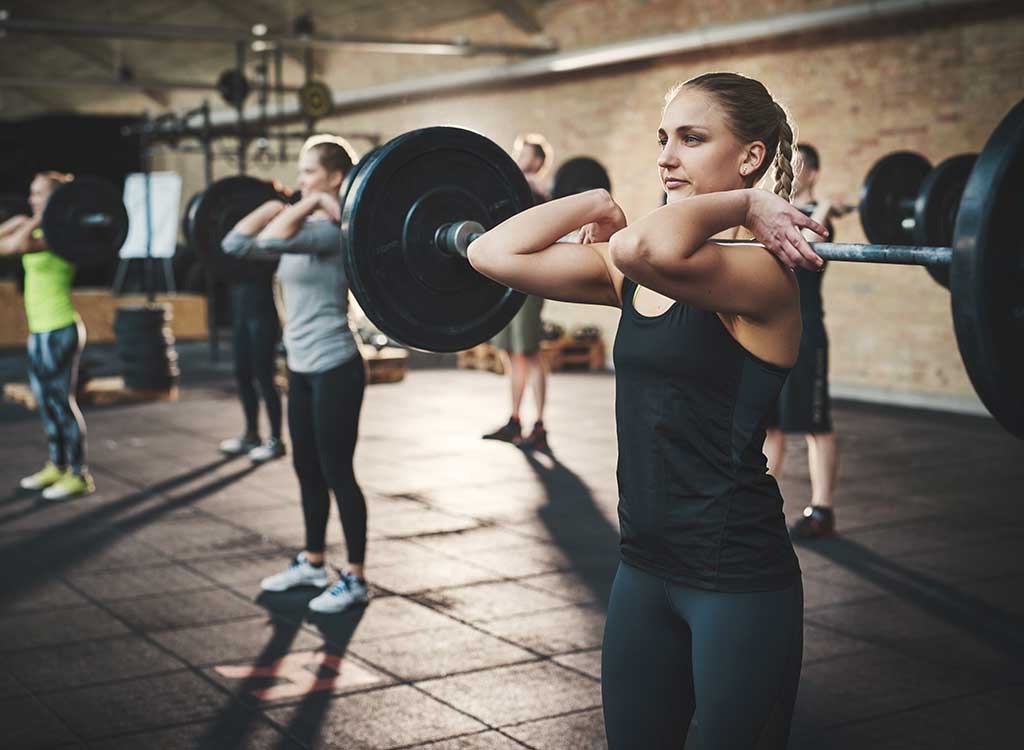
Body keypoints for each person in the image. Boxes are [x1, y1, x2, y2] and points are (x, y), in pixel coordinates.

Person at [468, 72, 829, 749]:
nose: (666, 157)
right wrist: (594, 201)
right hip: (642, 569)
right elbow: (491, 253)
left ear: (750, 156)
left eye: (691, 140)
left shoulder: (761, 277)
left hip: (735, 580)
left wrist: (746, 206)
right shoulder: (640, 274)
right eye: (662, 139)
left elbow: (641, 245)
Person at [222, 136, 369, 614]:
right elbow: (235, 242)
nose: (300, 179)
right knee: (306, 468)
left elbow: (270, 240)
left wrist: (315, 204)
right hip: (303, 368)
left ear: (333, 175)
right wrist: (273, 204)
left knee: (336, 471)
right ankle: (312, 560)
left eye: (309, 172)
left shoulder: (332, 232)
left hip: (335, 366)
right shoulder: (306, 225)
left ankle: (355, 578)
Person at [763, 143, 850, 539]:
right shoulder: (776, 214)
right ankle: (759, 505)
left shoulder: (822, 219)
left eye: (797, 168)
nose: (791, 174)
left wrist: (827, 209)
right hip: (771, 330)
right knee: (771, 425)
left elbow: (803, 250)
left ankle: (823, 509)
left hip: (808, 332)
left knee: (816, 424)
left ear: (812, 174)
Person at [1, 172, 94, 501]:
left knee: (61, 403)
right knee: (46, 403)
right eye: (32, 193)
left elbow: (17, 245)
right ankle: (57, 465)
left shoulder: (63, 234)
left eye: (38, 194)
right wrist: (28, 217)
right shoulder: (40, 224)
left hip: (59, 328)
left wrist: (39, 217)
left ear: (55, 200)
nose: (31, 199)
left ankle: (79, 474)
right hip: (39, 330)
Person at [481, 133, 554, 451]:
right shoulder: (511, 185)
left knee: (530, 353)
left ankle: (539, 425)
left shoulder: (536, 188)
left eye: (523, 152)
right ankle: (514, 420)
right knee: (512, 355)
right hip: (507, 279)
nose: (517, 156)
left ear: (537, 161)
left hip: (529, 279)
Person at [217, 244, 286, 464]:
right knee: (242, 373)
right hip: (241, 313)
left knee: (264, 376)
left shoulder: (267, 242)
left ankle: (276, 440)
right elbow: (224, 249)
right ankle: (251, 435)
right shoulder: (235, 246)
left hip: (263, 313)